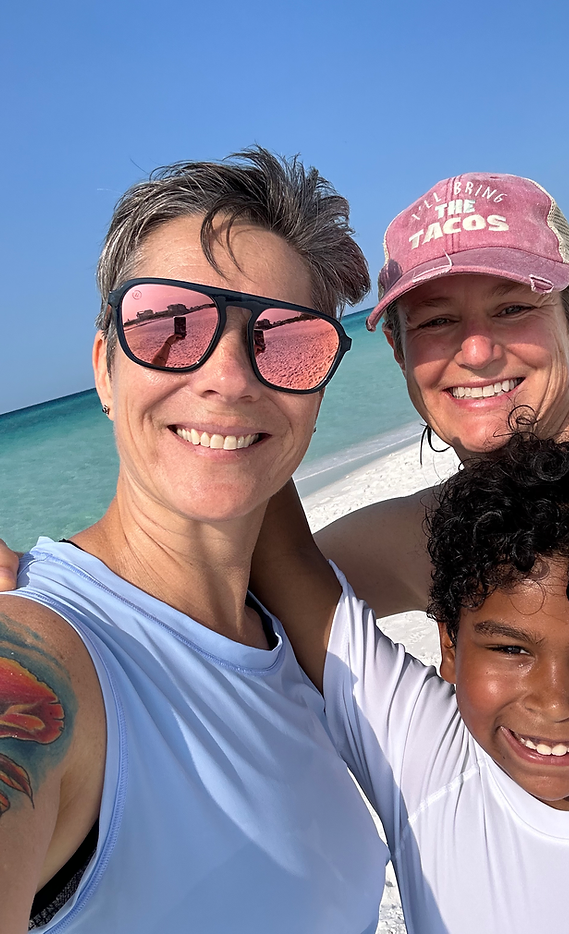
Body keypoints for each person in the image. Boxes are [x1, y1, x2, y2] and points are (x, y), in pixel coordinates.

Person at [0, 149, 388, 933]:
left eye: (287, 341)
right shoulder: (45, 655)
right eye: (171, 326)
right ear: (106, 368)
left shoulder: (310, 643)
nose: (231, 378)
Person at [250, 433, 569, 933]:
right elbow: (283, 557)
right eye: (511, 650)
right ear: (449, 645)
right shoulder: (428, 754)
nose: (554, 702)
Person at [314, 172, 569, 724]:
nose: (475, 350)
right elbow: (226, 608)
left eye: (514, 308)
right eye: (437, 320)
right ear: (399, 351)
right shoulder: (406, 536)